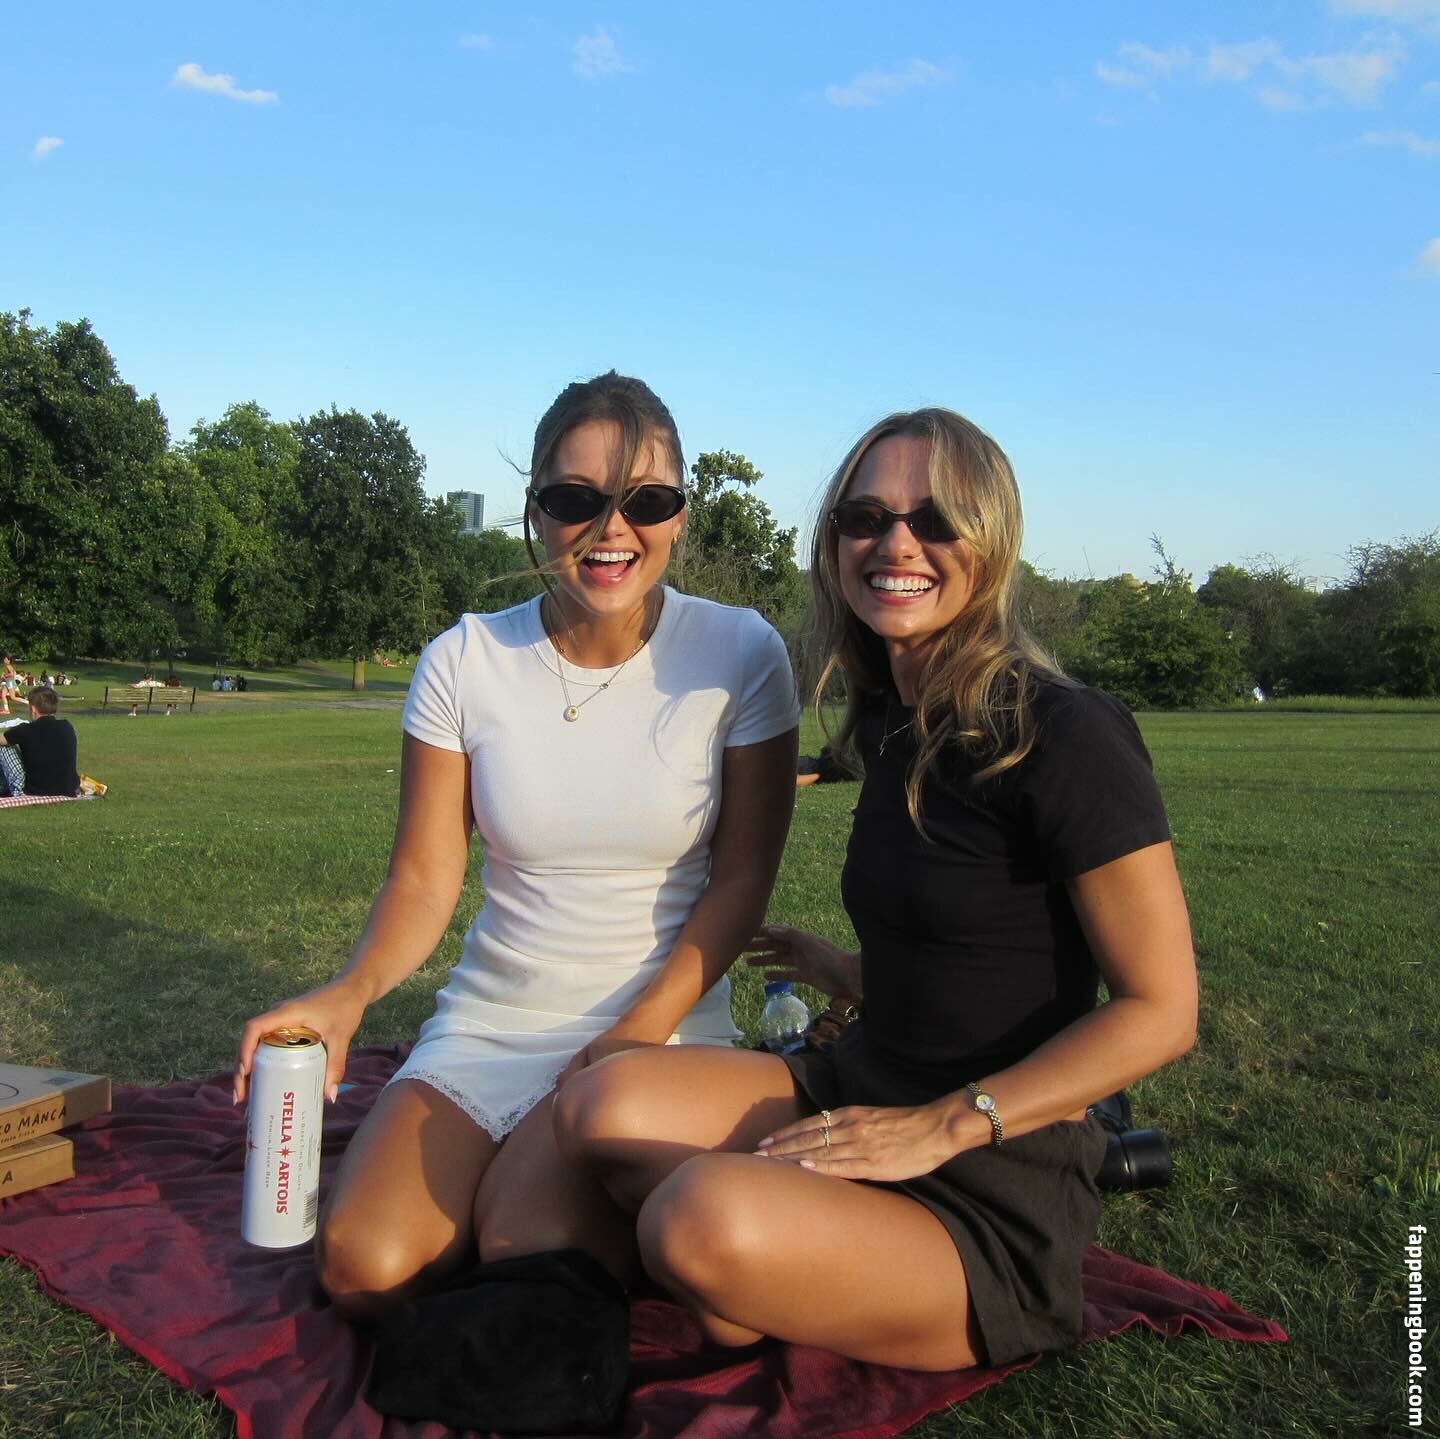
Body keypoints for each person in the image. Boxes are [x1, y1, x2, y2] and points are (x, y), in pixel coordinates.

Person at [553, 406, 1198, 1372]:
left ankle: (786, 1262)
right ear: (835, 545)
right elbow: (981, 951)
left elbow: (1163, 1010)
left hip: (987, 1169)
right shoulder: (897, 719)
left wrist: (941, 1125)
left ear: (991, 540)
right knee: (597, 1103)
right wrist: (846, 969)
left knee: (691, 1222)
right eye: (865, 518)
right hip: (858, 1090)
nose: (896, 544)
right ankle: (788, 1262)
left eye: (934, 520)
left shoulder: (1067, 731)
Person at [233, 371, 799, 1319]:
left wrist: (633, 1034)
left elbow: (740, 883)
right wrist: (349, 992)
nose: (611, 530)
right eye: (577, 499)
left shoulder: (741, 652)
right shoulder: (464, 660)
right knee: (364, 1267)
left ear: (681, 512)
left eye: (646, 501)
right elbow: (425, 877)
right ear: (536, 510)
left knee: (525, 1250)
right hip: (492, 1026)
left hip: (658, 1037)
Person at [0, 687, 80, 797]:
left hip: (36, 791)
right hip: (68, 788)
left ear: (33, 709)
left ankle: (8, 788)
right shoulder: (67, 726)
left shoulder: (25, 730)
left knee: (4, 747)